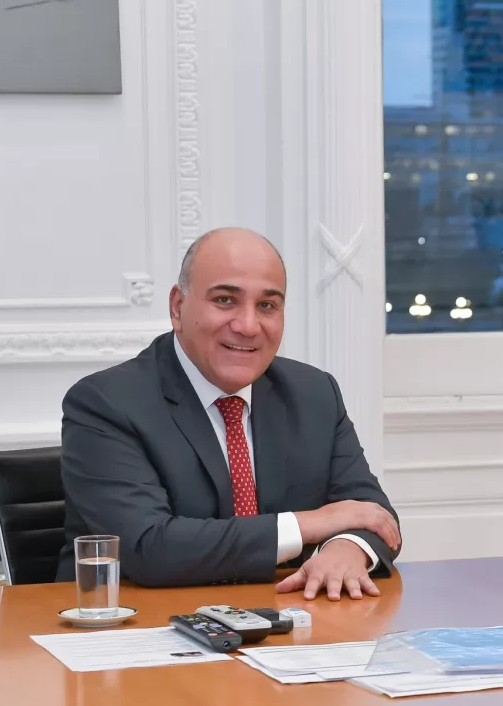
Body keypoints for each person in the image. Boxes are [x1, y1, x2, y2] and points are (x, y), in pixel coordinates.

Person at [56, 227, 400, 601]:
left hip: (285, 630)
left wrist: (347, 548)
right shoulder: (106, 403)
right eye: (224, 300)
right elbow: (150, 547)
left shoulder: (314, 393)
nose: (248, 326)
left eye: (267, 306)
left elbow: (371, 514)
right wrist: (310, 525)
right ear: (177, 307)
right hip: (138, 632)